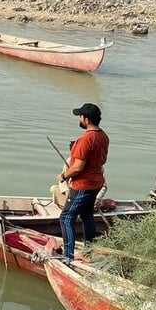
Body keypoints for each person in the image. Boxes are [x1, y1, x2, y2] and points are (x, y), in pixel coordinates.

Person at [57, 103, 109, 264]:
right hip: (96, 183)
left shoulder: (85, 139)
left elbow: (78, 167)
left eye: (80, 116)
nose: (79, 119)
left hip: (83, 185)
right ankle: (88, 252)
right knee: (87, 217)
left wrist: (64, 176)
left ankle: (69, 257)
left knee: (66, 218)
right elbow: (103, 160)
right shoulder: (103, 136)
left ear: (86, 119)